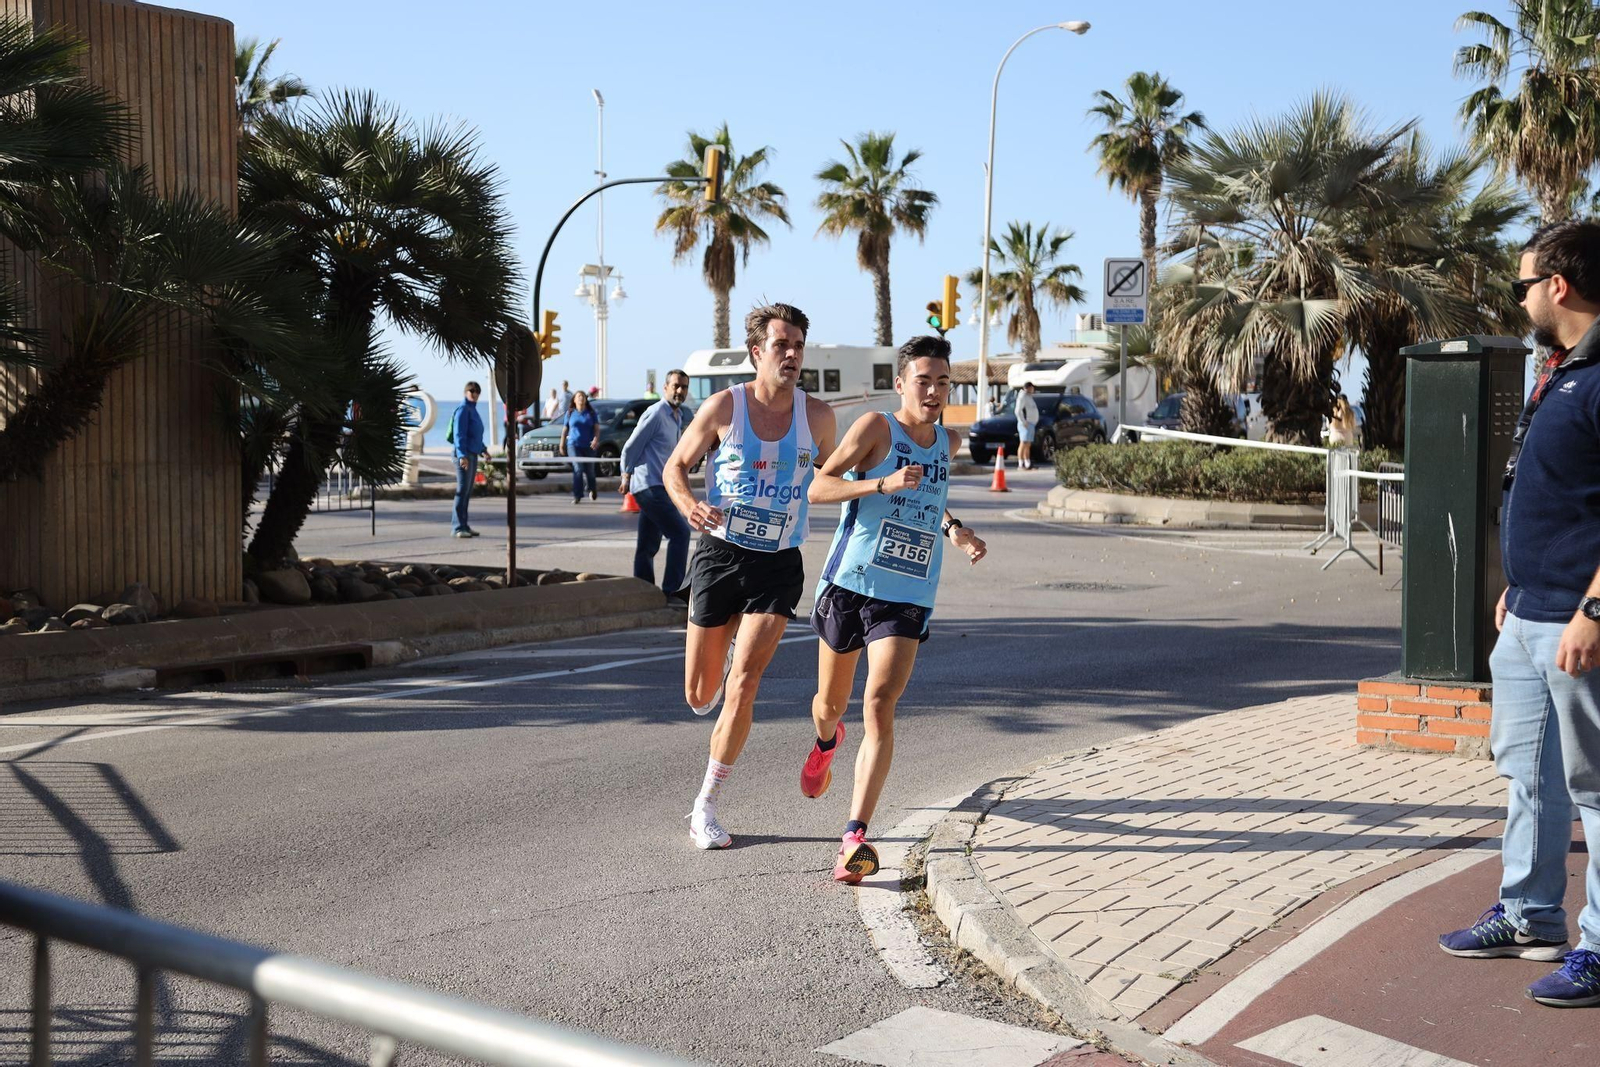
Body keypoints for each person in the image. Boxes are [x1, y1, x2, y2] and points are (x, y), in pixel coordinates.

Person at [1438, 218, 1600, 1008]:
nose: (1522, 297)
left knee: (1595, 787)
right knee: (1528, 774)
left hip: (1582, 625)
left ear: (1558, 287)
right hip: (1532, 612)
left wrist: (1593, 609)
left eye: (1523, 284)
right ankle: (1531, 913)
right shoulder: (1562, 369)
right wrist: (1522, 585)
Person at [798, 335, 988, 882]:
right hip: (850, 584)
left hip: (907, 592)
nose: (933, 391)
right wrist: (880, 481)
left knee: (879, 702)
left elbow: (929, 495)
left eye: (943, 382)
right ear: (902, 383)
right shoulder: (876, 429)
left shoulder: (948, 443)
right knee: (831, 704)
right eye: (923, 381)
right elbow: (819, 487)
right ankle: (825, 742)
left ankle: (854, 836)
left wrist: (955, 530)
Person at [664, 303, 838, 850]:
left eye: (799, 346)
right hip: (720, 557)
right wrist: (690, 503)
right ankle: (718, 660)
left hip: (779, 563)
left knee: (745, 682)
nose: (791, 355)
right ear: (756, 352)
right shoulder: (723, 408)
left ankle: (706, 805)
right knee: (700, 694)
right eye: (781, 345)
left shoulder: (820, 419)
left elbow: (846, 474)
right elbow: (675, 467)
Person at [621, 370, 692, 600]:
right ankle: (672, 591)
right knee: (680, 533)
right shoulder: (656, 413)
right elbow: (631, 446)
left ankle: (642, 590)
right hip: (647, 486)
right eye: (675, 386)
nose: (679, 391)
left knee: (648, 544)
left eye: (684, 387)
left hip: (660, 486)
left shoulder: (677, 416)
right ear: (665, 387)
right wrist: (626, 475)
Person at [449, 381, 488, 538]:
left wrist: (484, 450)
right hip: (464, 455)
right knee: (462, 490)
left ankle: (464, 524)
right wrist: (461, 455)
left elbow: (475, 434)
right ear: (466, 392)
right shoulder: (463, 409)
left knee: (467, 491)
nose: (475, 394)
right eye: (472, 391)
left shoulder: (473, 410)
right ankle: (457, 527)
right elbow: (459, 434)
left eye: (477, 391)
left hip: (472, 453)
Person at [561, 390, 601, 504]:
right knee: (578, 469)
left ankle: (592, 489)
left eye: (583, 396)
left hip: (588, 446)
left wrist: (595, 439)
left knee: (590, 471)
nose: (581, 398)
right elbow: (565, 430)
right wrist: (561, 444)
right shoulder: (570, 413)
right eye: (578, 396)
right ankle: (577, 495)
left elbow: (597, 429)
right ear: (574, 399)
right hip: (573, 445)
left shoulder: (591, 413)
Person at [1016, 382, 1040, 470]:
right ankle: (1020, 464)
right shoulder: (1022, 397)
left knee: (1028, 444)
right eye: (1032, 388)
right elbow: (1018, 411)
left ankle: (1027, 463)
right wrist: (1023, 421)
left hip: (1031, 423)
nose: (1033, 390)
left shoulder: (1029, 397)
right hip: (1025, 424)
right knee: (1023, 442)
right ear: (1029, 387)